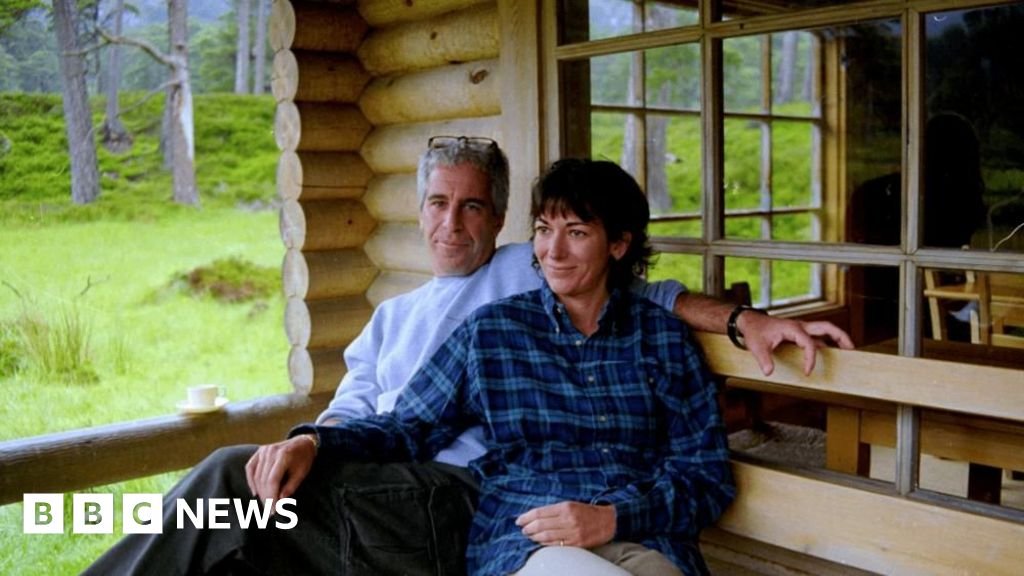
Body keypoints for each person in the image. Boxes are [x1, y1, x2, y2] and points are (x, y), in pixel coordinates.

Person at [84, 137, 851, 576]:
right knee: (237, 488)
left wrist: (743, 319)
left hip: (521, 509)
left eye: (473, 205)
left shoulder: (555, 285)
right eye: (438, 203)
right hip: (484, 516)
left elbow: (660, 310)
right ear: (419, 211)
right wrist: (314, 440)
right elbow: (394, 423)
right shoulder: (442, 325)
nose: (554, 249)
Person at [277, 157, 735, 575]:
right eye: (543, 229)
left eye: (576, 233)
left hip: (644, 534)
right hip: (530, 537)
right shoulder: (491, 332)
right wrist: (316, 441)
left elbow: (706, 476)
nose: (553, 251)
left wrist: (615, 518)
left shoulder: (662, 339)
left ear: (618, 244)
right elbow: (407, 426)